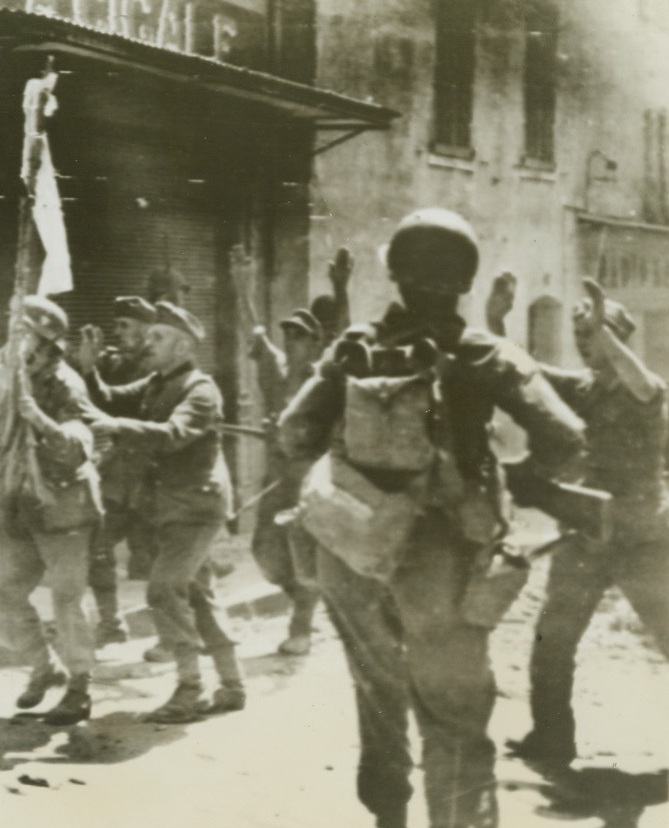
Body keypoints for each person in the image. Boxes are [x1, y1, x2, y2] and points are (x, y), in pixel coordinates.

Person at [278, 208, 585, 828]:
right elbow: (566, 435)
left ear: (394, 273)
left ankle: (388, 817)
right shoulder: (486, 353)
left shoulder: (353, 346)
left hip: (353, 549)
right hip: (443, 560)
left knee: (376, 692)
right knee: (453, 717)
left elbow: (293, 432)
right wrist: (515, 480)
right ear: (466, 282)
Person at [507, 278, 669, 769]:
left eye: (592, 333)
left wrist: (607, 333)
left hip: (643, 534)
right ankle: (551, 739)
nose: (582, 342)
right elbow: (525, 370)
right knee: (552, 638)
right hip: (588, 530)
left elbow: (641, 381)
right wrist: (496, 323)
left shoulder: (648, 389)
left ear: (618, 336)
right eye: (578, 333)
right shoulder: (583, 388)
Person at [90, 303, 246, 723]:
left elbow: (174, 435)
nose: (147, 342)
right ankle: (232, 685)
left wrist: (117, 427)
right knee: (197, 593)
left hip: (196, 507)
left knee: (164, 588)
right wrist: (88, 371)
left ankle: (190, 689)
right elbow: (107, 398)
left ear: (182, 346)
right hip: (173, 506)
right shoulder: (157, 383)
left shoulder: (200, 389)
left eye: (157, 337)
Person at [0, 296, 101, 726]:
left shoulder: (65, 383)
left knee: (67, 597)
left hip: (64, 506)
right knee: (1, 590)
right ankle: (42, 664)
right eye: (13, 331)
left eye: (23, 333)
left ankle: (79, 686)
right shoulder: (10, 376)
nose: (14, 340)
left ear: (45, 343)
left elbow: (78, 445)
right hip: (21, 503)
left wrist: (38, 419)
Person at [76, 295, 157, 647]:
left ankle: (182, 632)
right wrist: (89, 364)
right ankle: (111, 622)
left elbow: (123, 403)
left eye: (125, 325)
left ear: (145, 330)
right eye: (118, 325)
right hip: (119, 475)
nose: (117, 332)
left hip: (151, 477)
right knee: (98, 544)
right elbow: (98, 399)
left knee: (160, 557)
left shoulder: (156, 366)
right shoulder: (115, 362)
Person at [248, 308, 326, 656]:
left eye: (299, 336)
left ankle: (302, 627)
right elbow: (256, 333)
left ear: (314, 344)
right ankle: (306, 601)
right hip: (277, 479)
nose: (291, 342)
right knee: (264, 550)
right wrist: (241, 283)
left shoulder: (323, 381)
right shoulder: (278, 376)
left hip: (307, 480)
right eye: (288, 336)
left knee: (302, 552)